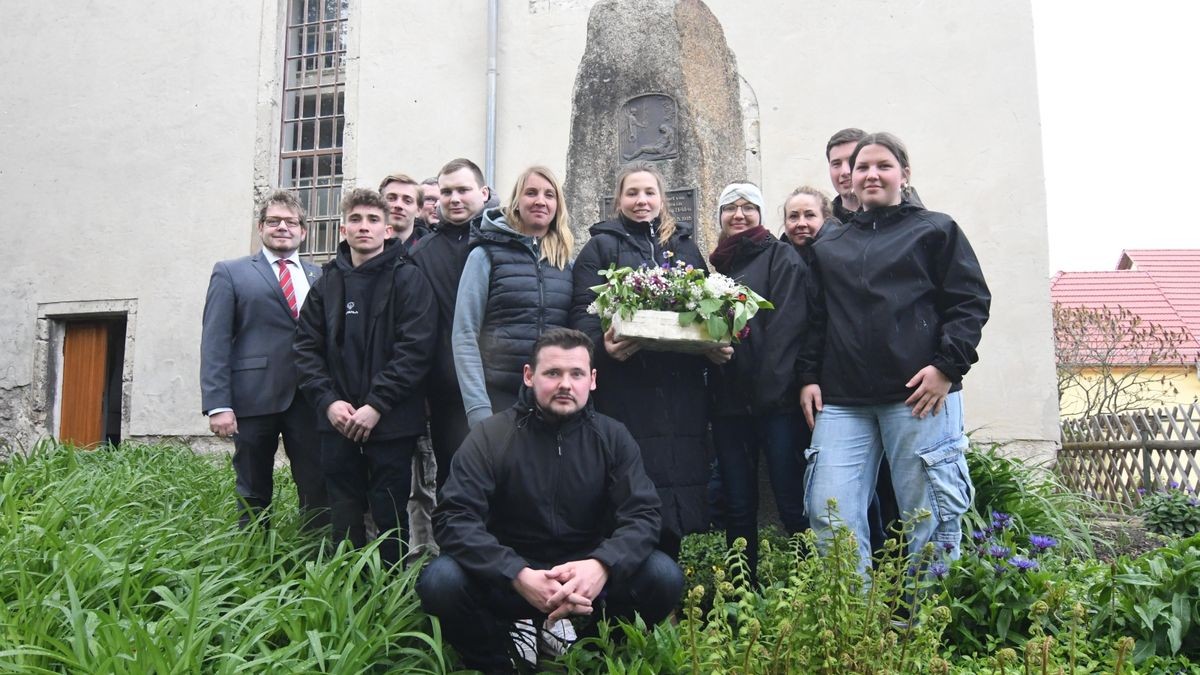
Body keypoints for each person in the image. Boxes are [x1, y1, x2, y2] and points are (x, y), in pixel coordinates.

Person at [417, 329, 683, 673]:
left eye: (576, 374)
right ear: (529, 376)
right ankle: (502, 662)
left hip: (586, 579)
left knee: (664, 575)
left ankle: (597, 658)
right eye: (553, 373)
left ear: (593, 380)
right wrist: (514, 572)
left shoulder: (613, 437)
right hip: (511, 578)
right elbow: (454, 517)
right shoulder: (490, 435)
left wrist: (602, 565)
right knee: (440, 580)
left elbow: (644, 515)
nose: (565, 384)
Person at [799, 132, 990, 573]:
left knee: (931, 517)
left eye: (882, 165)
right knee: (829, 515)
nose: (870, 174)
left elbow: (969, 303)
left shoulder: (936, 230)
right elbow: (816, 320)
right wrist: (808, 376)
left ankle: (926, 627)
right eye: (862, 167)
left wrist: (947, 367)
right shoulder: (829, 245)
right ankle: (851, 629)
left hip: (919, 396)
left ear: (904, 174)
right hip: (844, 402)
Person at [570, 161, 724, 558]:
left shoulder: (685, 247)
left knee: (674, 488)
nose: (641, 201)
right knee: (626, 487)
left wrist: (715, 344)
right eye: (632, 193)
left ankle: (667, 589)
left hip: (680, 391)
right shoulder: (600, 248)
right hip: (626, 390)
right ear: (618, 200)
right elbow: (582, 315)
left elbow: (707, 310)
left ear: (662, 199)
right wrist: (603, 349)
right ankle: (619, 584)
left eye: (649, 193)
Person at [293, 188, 437, 567]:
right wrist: (328, 403)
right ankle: (347, 593)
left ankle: (389, 595)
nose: (364, 227)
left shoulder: (410, 279)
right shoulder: (327, 283)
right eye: (356, 220)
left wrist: (376, 405)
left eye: (373, 220)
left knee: (390, 515)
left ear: (388, 229)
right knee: (343, 514)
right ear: (343, 228)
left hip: (391, 422)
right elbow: (306, 348)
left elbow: (416, 349)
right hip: (337, 423)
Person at [200, 190, 329, 530]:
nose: (282, 227)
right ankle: (254, 555)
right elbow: (215, 341)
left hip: (308, 398)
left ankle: (313, 554)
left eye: (291, 222)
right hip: (253, 398)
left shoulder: (320, 276)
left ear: (303, 230)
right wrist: (218, 404)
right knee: (253, 486)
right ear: (261, 228)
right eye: (274, 221)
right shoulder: (231, 272)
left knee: (316, 485)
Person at [707, 182, 810, 585]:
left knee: (791, 502)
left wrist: (765, 394)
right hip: (731, 409)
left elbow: (787, 331)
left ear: (761, 215)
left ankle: (808, 588)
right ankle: (740, 594)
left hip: (777, 406)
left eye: (748, 207)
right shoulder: (721, 268)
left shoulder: (781, 258)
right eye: (730, 208)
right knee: (738, 505)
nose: (739, 215)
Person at [454, 166, 575, 427]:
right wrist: (478, 409)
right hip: (498, 400)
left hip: (552, 400)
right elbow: (465, 334)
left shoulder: (566, 263)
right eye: (531, 192)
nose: (540, 201)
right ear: (517, 202)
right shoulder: (485, 254)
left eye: (549, 195)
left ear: (557, 206)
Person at [410, 158, 497, 488]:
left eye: (463, 189)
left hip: (505, 382)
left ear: (484, 192)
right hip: (449, 391)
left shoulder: (506, 242)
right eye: (446, 192)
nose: (454, 199)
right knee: (457, 480)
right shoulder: (422, 254)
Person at [780, 185, 838, 265]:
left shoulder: (840, 258)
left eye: (810, 215)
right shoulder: (777, 262)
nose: (801, 223)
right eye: (793, 216)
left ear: (825, 219)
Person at [825, 127, 867, 224]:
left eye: (852, 161)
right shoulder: (820, 224)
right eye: (836, 164)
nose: (845, 171)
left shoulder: (897, 217)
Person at [379, 173, 429, 250]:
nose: (398, 205)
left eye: (407, 201)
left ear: (419, 210)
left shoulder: (430, 251)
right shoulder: (364, 248)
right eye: (391, 198)